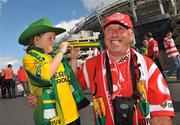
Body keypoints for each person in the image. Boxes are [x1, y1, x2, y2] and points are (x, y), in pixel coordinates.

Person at [28, 13, 175, 125]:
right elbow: (67, 85)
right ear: (104, 36)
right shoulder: (91, 64)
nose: (114, 34)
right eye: (109, 30)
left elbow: (162, 114)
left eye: (121, 29)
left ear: (131, 35)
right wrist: (41, 96)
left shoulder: (148, 65)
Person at [18, 18, 89, 125]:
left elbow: (71, 78)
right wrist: (61, 52)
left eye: (54, 38)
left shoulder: (56, 56)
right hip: (52, 119)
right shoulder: (29, 58)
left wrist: (74, 59)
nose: (53, 41)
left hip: (72, 113)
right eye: (49, 38)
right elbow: (45, 74)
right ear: (36, 39)